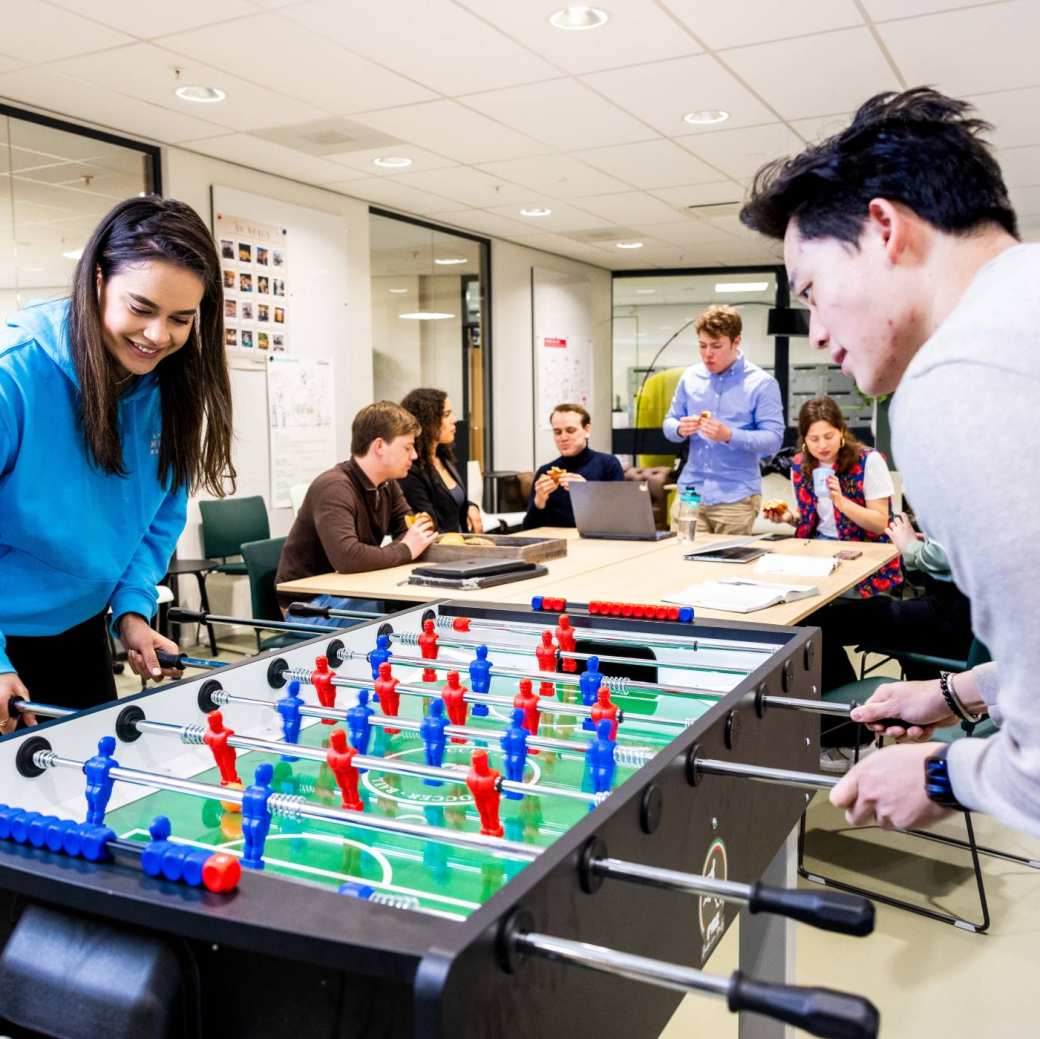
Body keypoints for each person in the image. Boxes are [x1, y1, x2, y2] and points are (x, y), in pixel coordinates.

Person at [739, 86, 1040, 836]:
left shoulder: (958, 381)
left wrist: (943, 773)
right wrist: (963, 691)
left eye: (811, 291)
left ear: (883, 228)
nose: (814, 333)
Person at [0, 195, 234, 731]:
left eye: (181, 319)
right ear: (99, 278)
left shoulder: (173, 385)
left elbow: (157, 517)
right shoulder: (15, 376)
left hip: (81, 629)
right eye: (142, 308)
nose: (158, 336)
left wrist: (131, 609)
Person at [275, 401, 436, 608]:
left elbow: (413, 532)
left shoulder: (387, 484)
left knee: (421, 604)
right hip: (309, 604)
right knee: (404, 609)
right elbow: (348, 557)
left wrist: (406, 546)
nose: (414, 455)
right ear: (379, 446)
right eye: (407, 447)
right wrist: (405, 549)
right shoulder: (333, 487)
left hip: (349, 589)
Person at [662, 304, 784, 535]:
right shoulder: (690, 377)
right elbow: (669, 423)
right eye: (702, 345)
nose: (708, 354)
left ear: (736, 342)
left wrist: (729, 435)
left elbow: (773, 440)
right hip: (691, 490)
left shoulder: (762, 383)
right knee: (680, 562)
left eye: (716, 346)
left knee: (725, 566)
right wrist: (679, 428)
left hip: (736, 495)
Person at [764, 396, 901, 599]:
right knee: (780, 588)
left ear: (841, 431)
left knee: (842, 597)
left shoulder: (868, 461)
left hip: (862, 550)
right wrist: (789, 518)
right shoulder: (800, 466)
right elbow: (810, 519)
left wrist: (843, 503)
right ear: (804, 439)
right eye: (814, 439)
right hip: (818, 549)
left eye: (829, 436)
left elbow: (880, 524)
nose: (822, 446)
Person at [523, 403, 624, 529]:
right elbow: (527, 530)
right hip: (555, 543)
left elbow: (619, 519)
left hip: (594, 543)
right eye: (557, 432)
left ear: (587, 430)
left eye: (570, 431)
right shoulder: (545, 472)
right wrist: (538, 502)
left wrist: (588, 492)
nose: (563, 438)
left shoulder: (608, 464)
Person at [398, 387, 482, 534]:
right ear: (427, 421)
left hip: (460, 547)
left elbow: (450, 504)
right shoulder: (411, 470)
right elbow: (427, 525)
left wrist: (471, 506)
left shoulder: (444, 458)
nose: (454, 420)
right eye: (447, 414)